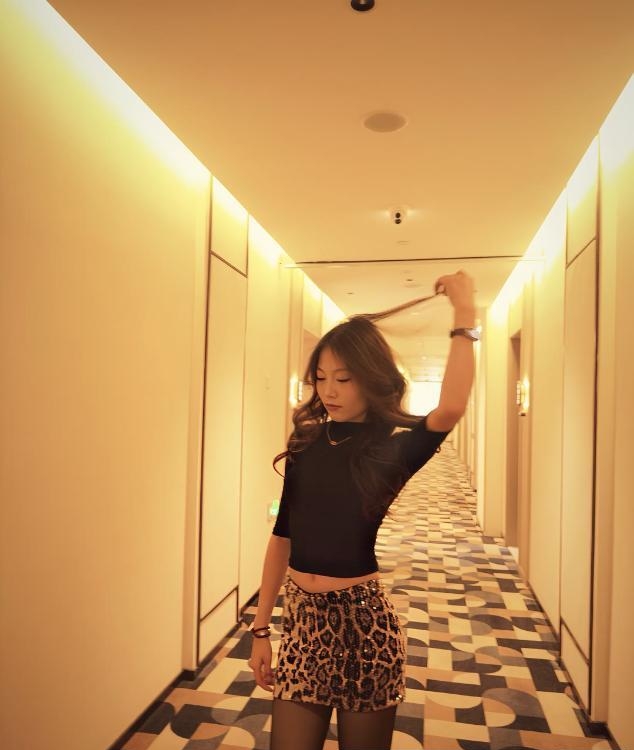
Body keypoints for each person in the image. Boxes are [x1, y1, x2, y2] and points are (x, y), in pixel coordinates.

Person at [248, 271, 477, 750]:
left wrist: (464, 314)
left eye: (343, 379)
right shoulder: (306, 442)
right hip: (303, 627)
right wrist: (261, 629)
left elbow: (451, 407)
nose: (328, 391)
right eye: (321, 378)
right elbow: (282, 536)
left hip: (364, 630)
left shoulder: (390, 450)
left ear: (370, 380)